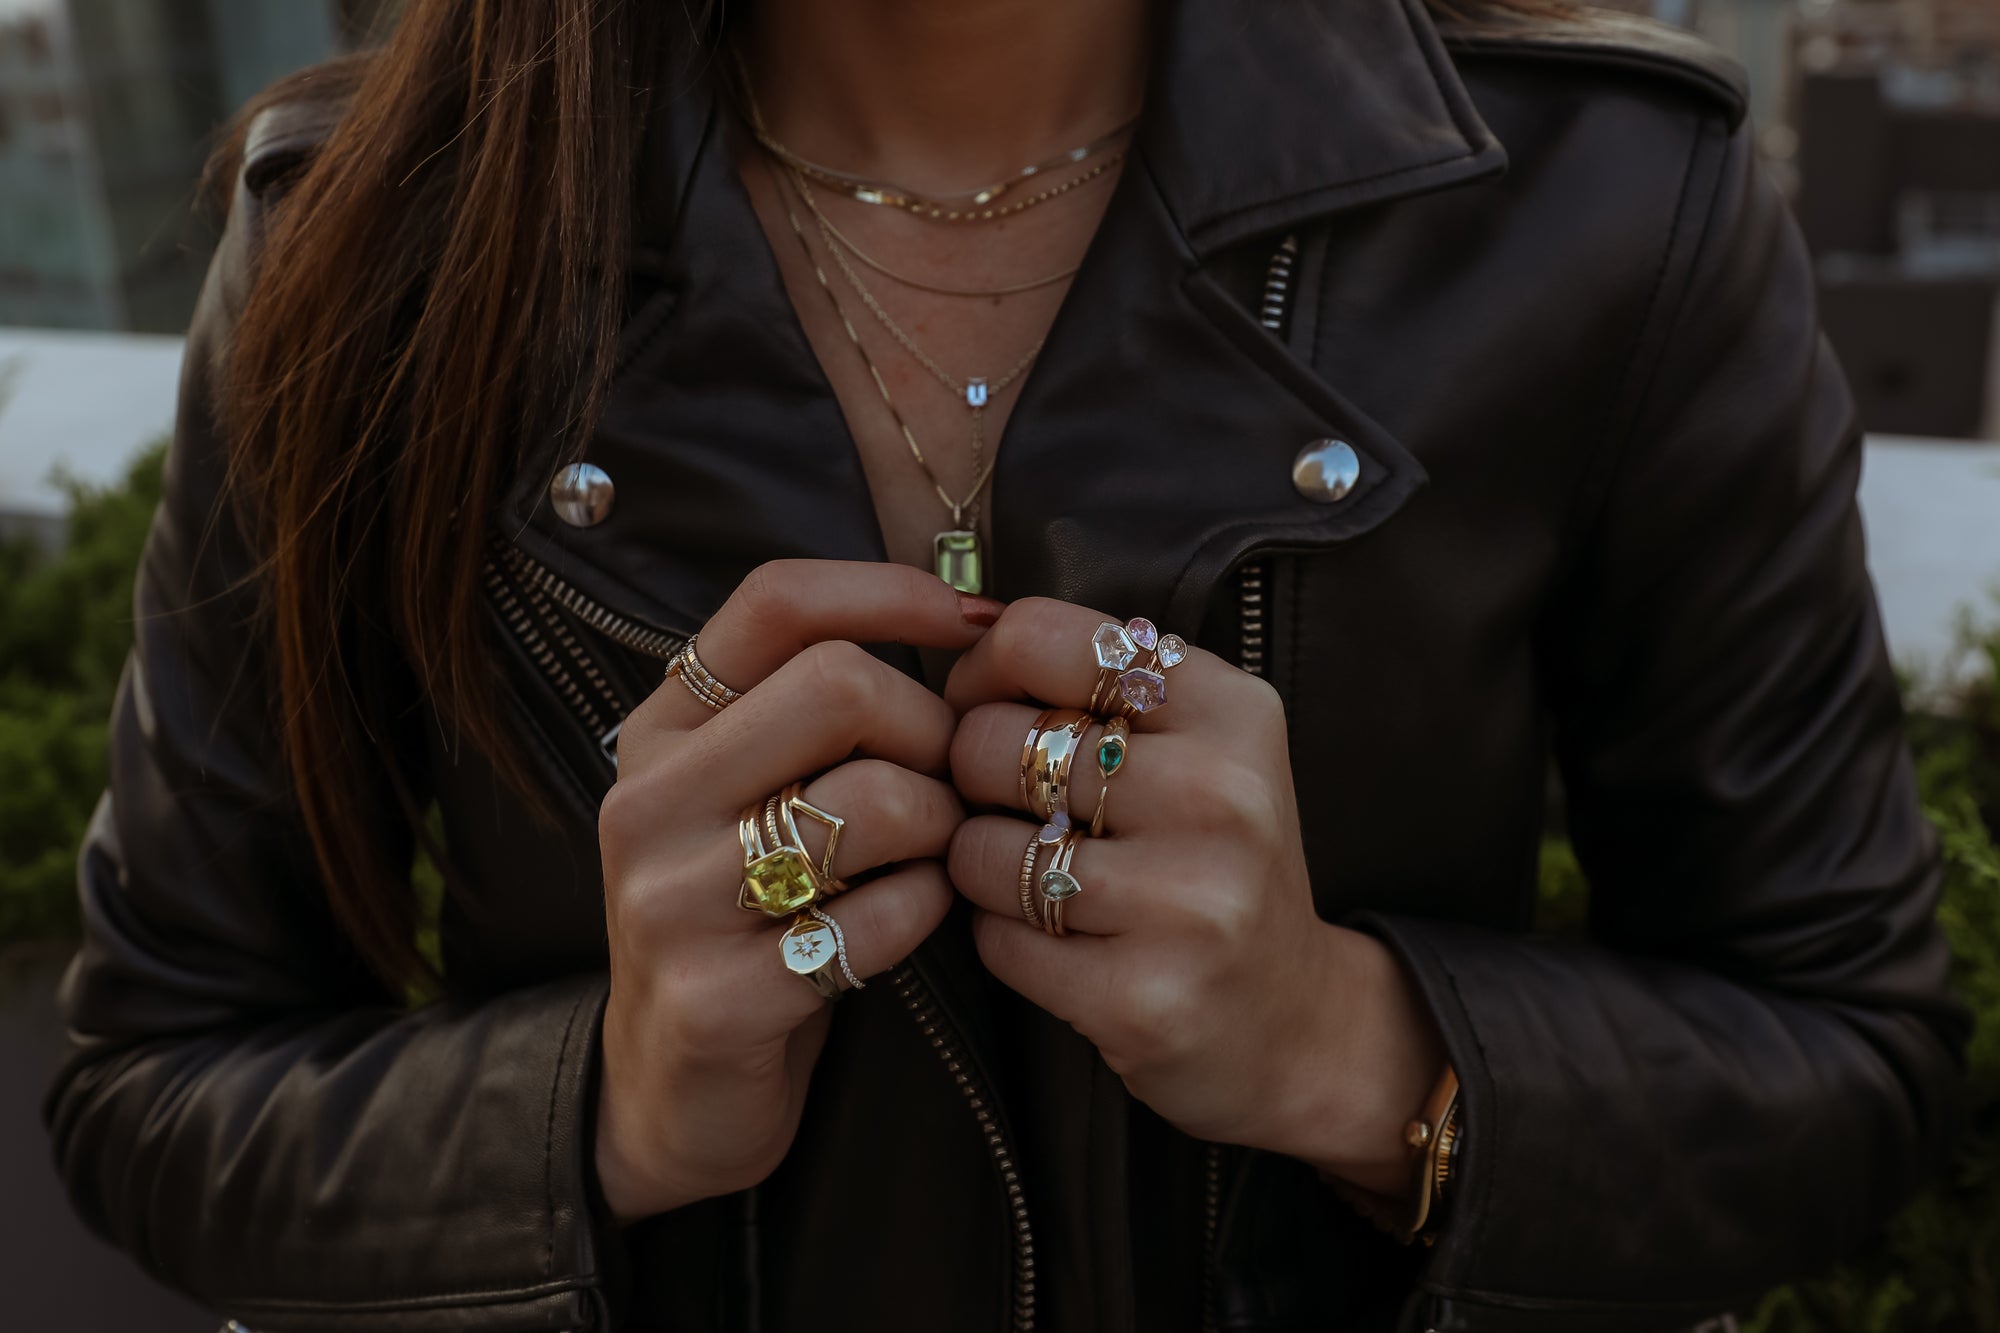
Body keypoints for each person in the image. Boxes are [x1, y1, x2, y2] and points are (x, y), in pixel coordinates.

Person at [45, 0, 1964, 1329]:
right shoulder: (363, 246)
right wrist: (605, 1108)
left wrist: (1351, 1050)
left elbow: (1847, 1055)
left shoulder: (1607, 212)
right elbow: (156, 1081)